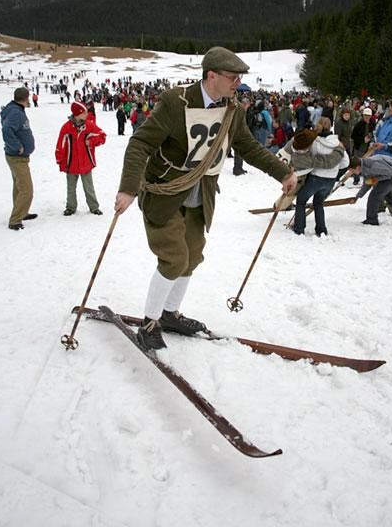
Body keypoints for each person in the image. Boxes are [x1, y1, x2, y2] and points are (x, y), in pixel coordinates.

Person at [114, 46, 297, 350]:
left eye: (239, 78)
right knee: (174, 259)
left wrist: (283, 172)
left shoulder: (233, 110)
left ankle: (169, 314)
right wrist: (128, 187)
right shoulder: (177, 101)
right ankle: (149, 325)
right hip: (166, 194)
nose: (237, 83)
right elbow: (140, 143)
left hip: (200, 197)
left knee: (192, 257)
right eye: (232, 77)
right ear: (211, 75)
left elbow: (248, 147)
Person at [286, 120, 348, 236]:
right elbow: (345, 163)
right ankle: (321, 229)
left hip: (316, 178)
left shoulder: (314, 142)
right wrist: (335, 172)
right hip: (330, 179)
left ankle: (299, 228)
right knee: (318, 203)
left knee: (301, 201)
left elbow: (307, 158)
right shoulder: (337, 144)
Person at [55, 101, 106, 216]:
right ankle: (71, 207)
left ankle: (94, 207)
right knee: (71, 188)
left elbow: (102, 136)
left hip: (86, 163)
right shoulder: (66, 128)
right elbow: (60, 146)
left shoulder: (89, 125)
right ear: (78, 114)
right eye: (85, 112)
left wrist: (92, 141)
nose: (87, 114)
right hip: (71, 164)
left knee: (89, 187)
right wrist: (61, 161)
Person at [0, 87, 37, 230]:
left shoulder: (14, 109)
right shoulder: (16, 112)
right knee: (27, 189)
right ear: (25, 98)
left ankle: (22, 212)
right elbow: (6, 130)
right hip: (17, 157)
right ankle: (15, 219)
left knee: (19, 186)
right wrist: (17, 146)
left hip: (16, 157)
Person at [348, 155, 392, 225]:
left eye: (352, 171)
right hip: (389, 173)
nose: (352, 173)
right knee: (384, 192)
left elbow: (391, 172)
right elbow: (367, 183)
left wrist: (375, 179)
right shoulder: (364, 168)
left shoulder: (373, 166)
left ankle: (372, 220)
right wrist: (358, 196)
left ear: (357, 167)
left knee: (374, 196)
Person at [351, 107, 375, 185]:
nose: (367, 117)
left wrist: (371, 138)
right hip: (359, 147)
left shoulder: (372, 124)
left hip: (368, 147)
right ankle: (356, 179)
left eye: (368, 115)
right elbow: (353, 136)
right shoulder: (359, 124)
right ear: (363, 115)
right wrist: (362, 139)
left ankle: (366, 179)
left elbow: (374, 133)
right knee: (356, 163)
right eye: (365, 115)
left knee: (367, 164)